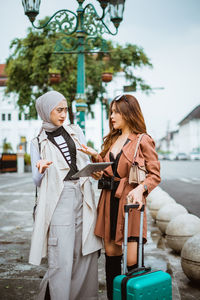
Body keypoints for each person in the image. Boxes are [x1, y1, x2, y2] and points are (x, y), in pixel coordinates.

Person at [80, 94, 161, 300]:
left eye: (116, 111)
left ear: (128, 113)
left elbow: (155, 175)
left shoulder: (143, 139)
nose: (112, 116)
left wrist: (140, 188)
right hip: (108, 202)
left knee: (132, 262)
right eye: (111, 112)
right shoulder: (112, 140)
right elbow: (110, 170)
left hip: (130, 205)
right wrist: (95, 161)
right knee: (112, 260)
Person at [29, 90, 102, 300]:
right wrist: (41, 169)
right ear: (46, 110)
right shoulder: (37, 141)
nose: (63, 114)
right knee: (61, 256)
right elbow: (36, 180)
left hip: (82, 194)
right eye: (58, 109)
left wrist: (94, 168)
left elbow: (85, 162)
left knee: (85, 252)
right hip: (58, 200)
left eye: (65, 109)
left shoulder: (75, 131)